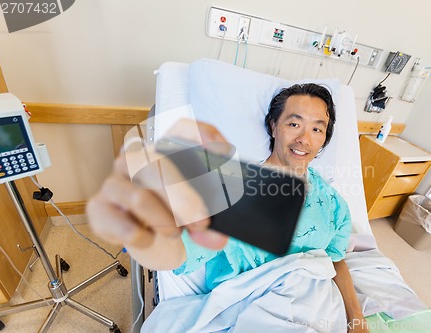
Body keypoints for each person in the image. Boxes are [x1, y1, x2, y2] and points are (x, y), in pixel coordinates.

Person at [87, 83, 369, 333]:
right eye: (294, 124)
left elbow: (333, 259)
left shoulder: (333, 202)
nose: (304, 139)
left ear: (324, 141)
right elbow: (180, 251)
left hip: (318, 308)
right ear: (273, 126)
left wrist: (356, 318)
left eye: (317, 129)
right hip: (250, 308)